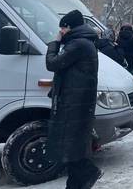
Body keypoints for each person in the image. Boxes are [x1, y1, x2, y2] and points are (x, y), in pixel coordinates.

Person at [45, 10, 102, 189]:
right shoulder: (82, 42)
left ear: (69, 27)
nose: (60, 32)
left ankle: (88, 173)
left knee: (71, 146)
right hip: (76, 100)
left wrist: (54, 43)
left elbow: (52, 64)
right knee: (73, 146)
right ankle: (76, 183)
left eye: (62, 28)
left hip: (74, 102)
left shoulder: (78, 44)